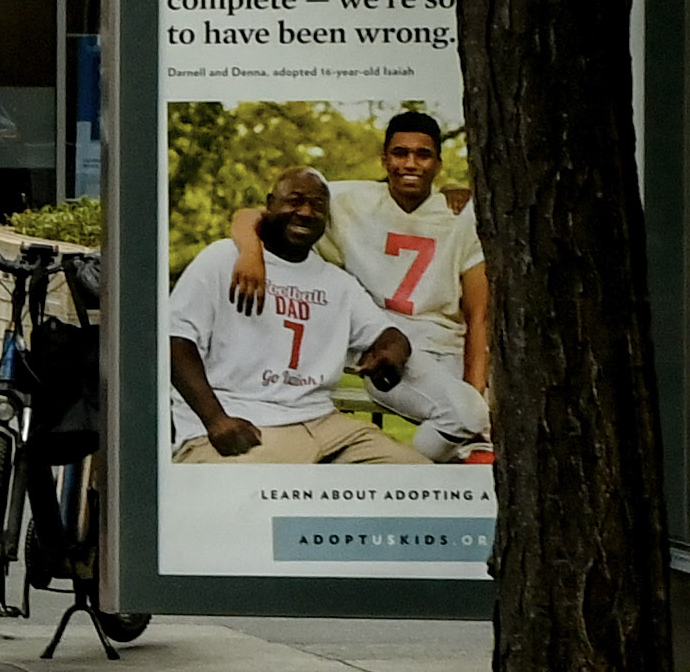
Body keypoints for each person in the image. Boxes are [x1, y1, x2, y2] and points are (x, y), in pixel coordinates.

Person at [217, 109, 491, 457]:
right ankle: (399, 481)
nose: (410, 163)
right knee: (465, 415)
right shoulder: (348, 200)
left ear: (438, 164)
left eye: (423, 155)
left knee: (479, 425)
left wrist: (476, 386)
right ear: (384, 159)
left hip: (446, 347)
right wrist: (250, 253)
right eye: (400, 153)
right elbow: (252, 214)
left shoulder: (461, 215)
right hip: (387, 348)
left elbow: (478, 313)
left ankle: (408, 482)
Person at [166, 164, 418, 464]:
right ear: (270, 204)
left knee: (415, 474)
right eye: (295, 200)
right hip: (241, 419)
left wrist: (392, 353)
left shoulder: (337, 282)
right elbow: (175, 342)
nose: (306, 212)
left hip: (322, 422)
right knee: (255, 497)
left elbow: (388, 334)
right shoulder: (223, 259)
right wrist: (216, 420)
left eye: (317, 206)